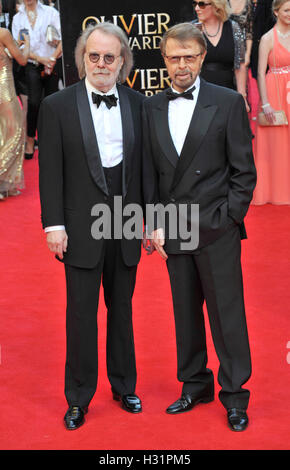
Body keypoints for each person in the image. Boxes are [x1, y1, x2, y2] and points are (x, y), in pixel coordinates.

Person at [142, 22, 256, 431]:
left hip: (216, 227)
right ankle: (194, 384)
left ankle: (235, 395)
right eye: (174, 57)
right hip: (174, 228)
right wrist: (154, 221)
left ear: (203, 56)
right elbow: (151, 174)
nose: (182, 65)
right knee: (185, 312)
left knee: (227, 314)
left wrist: (230, 218)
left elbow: (244, 172)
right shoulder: (151, 106)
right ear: (165, 60)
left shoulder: (226, 102)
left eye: (190, 56)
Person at [38, 22, 145, 430]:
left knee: (123, 310)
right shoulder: (57, 106)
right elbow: (50, 173)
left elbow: (145, 171)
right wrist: (54, 225)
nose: (101, 64)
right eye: (93, 56)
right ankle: (79, 396)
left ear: (123, 62)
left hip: (126, 221)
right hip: (80, 226)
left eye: (109, 57)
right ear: (82, 59)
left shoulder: (137, 104)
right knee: (81, 314)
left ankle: (124, 385)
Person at [12, 0, 62, 159]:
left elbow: (62, 39)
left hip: (52, 64)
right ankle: (30, 140)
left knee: (52, 103)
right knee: (33, 103)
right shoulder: (17, 18)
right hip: (32, 65)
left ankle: (52, 142)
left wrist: (52, 59)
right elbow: (18, 47)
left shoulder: (51, 12)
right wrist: (41, 59)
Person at [252, 0, 290, 205]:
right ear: (276, 12)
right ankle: (277, 191)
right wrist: (265, 103)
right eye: (287, 10)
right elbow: (259, 71)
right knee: (277, 143)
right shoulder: (267, 38)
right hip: (275, 91)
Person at [194, 0, 250, 111]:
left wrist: (242, 97)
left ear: (216, 6)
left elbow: (240, 64)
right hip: (200, 93)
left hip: (228, 91)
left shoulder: (233, 27)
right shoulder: (192, 29)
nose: (196, 8)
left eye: (201, 4)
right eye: (194, 4)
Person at [0, 19, 29, 200]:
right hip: (5, 91)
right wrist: (26, 44)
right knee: (16, 132)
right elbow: (23, 60)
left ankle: (5, 186)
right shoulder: (3, 32)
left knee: (2, 135)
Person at [228, 0, 254, 67]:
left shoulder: (248, 3)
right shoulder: (223, 2)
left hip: (241, 49)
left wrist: (248, 54)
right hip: (225, 46)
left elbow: (249, 32)